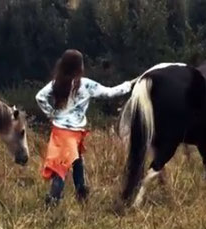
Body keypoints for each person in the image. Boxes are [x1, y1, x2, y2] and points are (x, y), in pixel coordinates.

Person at [35, 49, 133, 206]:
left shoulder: (57, 83)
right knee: (62, 167)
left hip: (60, 130)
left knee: (76, 161)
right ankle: (53, 199)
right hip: (73, 132)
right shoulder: (86, 85)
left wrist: (51, 114)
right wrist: (127, 86)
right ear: (79, 67)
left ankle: (81, 191)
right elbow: (109, 93)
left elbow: (39, 97)